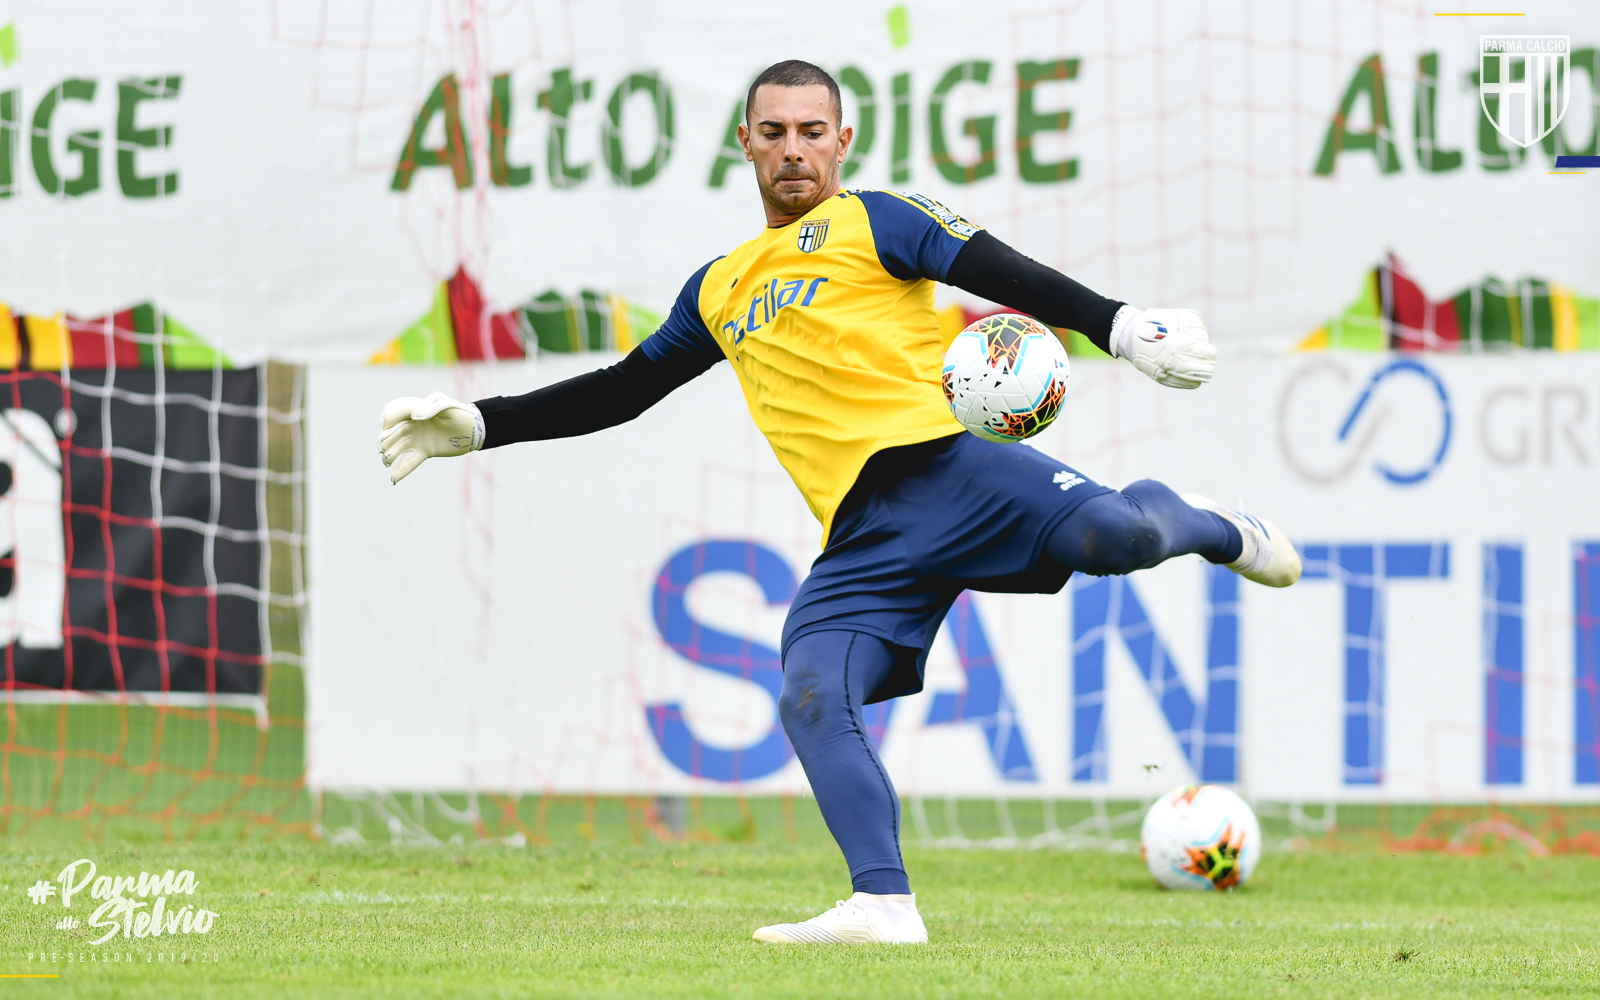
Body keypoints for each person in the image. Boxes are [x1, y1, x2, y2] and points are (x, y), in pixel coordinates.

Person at [378, 60, 1300, 945]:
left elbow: (1000, 270)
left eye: (812, 132)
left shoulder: (877, 219)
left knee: (1117, 537)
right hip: (861, 535)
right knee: (813, 692)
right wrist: (484, 424)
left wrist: (1119, 326)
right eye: (774, 131)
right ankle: (883, 905)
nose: (794, 149)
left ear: (842, 140)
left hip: (953, 467)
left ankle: (1210, 524)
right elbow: (624, 389)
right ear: (744, 141)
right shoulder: (719, 286)